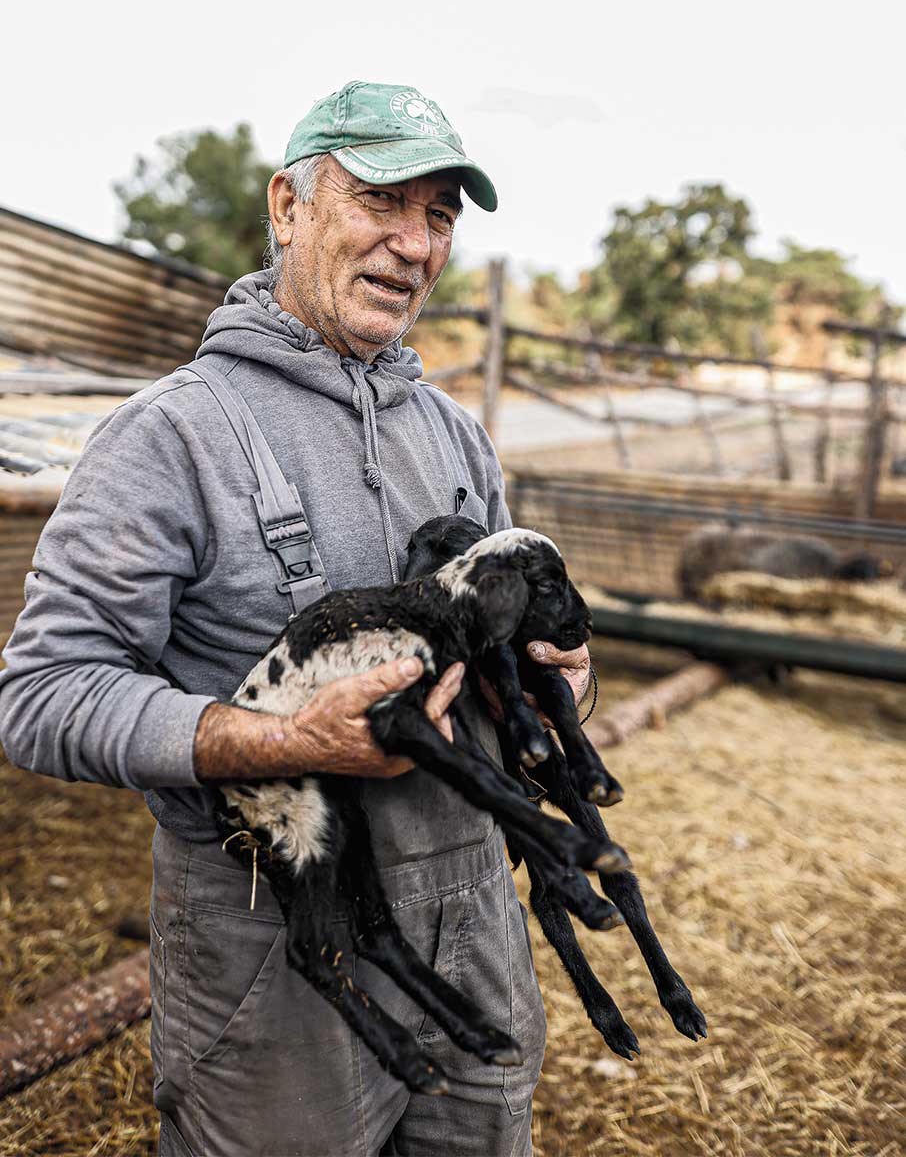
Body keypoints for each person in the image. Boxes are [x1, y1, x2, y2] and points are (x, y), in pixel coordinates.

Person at [0, 81, 591, 1157]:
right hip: (277, 939)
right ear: (287, 206)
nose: (415, 244)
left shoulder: (458, 438)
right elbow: (40, 694)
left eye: (441, 215)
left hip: (475, 917)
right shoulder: (169, 436)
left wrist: (556, 678)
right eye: (381, 200)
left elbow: (522, 657)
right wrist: (281, 739)